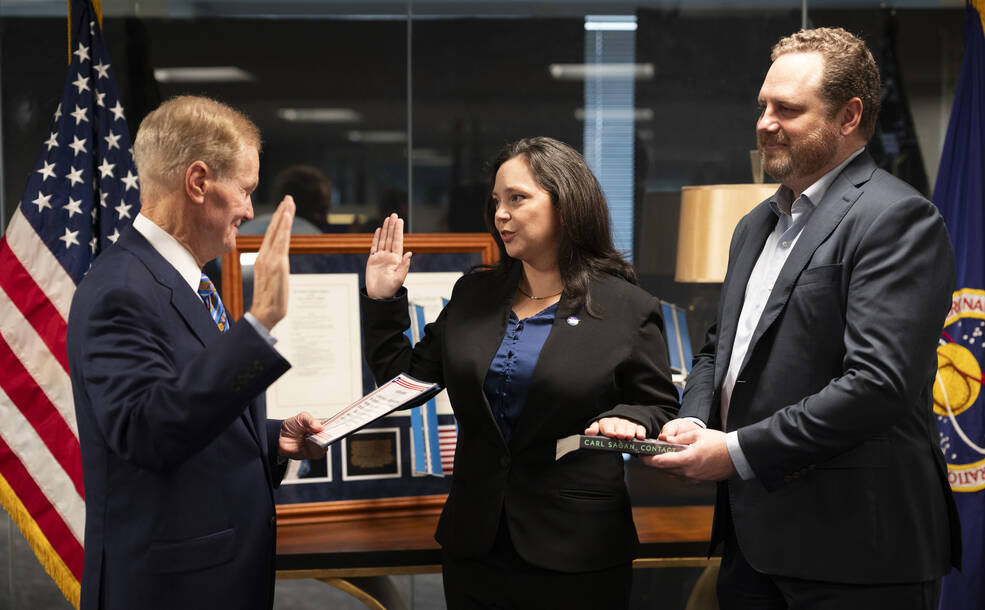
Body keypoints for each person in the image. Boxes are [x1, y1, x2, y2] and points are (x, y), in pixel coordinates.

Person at [643, 27, 961, 609]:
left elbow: (878, 386)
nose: (765, 122)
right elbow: (721, 349)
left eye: (788, 109)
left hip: (856, 554)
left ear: (849, 117)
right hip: (751, 547)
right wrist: (693, 419)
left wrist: (735, 450)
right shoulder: (754, 225)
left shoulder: (897, 219)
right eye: (763, 105)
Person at [361, 137, 679, 608]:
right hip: (476, 545)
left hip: (579, 547)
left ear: (566, 204)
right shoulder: (474, 293)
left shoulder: (626, 307)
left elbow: (657, 403)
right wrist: (384, 299)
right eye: (496, 202)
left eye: (517, 198)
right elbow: (403, 385)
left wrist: (630, 416)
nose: (500, 215)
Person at [66, 95, 327, 610]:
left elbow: (191, 407)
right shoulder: (120, 288)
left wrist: (272, 441)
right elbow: (147, 433)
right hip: (171, 589)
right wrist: (260, 324)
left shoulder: (185, 280)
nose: (252, 211)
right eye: (246, 190)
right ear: (198, 181)